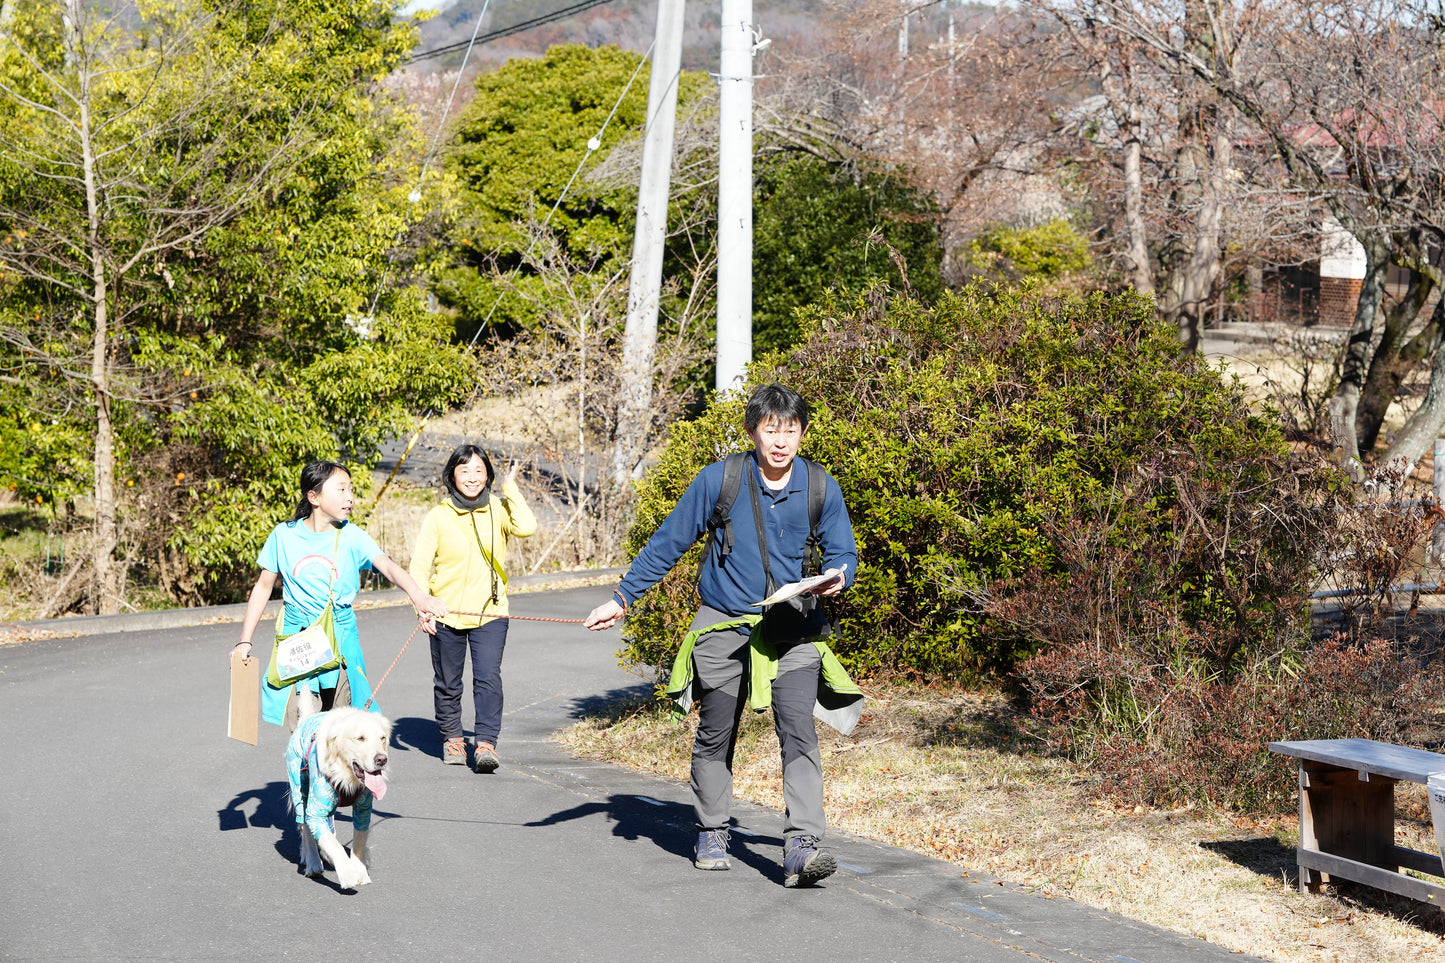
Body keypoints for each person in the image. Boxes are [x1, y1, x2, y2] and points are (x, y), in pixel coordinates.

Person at [584, 384, 861, 888]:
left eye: (791, 430)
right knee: (717, 730)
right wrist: (622, 598)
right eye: (771, 430)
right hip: (723, 626)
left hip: (794, 629)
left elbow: (844, 550)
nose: (781, 441)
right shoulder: (721, 480)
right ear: (753, 430)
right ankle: (712, 829)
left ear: (802, 432)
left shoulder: (821, 485)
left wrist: (840, 573)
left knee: (798, 727)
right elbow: (669, 542)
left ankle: (802, 846)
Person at [233, 461, 447, 727]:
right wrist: (245, 640)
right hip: (298, 644)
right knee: (304, 729)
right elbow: (264, 587)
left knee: (342, 726)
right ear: (314, 497)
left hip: (341, 644)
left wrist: (420, 597)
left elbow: (389, 567)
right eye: (341, 490)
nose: (350, 498)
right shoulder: (283, 536)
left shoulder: (352, 536)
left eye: (351, 490)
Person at [409, 444, 537, 772]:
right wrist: (422, 605)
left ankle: (485, 744)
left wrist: (510, 488)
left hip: (491, 611)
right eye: (464, 470)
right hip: (444, 612)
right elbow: (420, 565)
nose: (472, 477)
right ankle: (452, 737)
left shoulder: (498, 508)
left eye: (479, 471)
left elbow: (527, 528)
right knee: (448, 681)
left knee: (488, 678)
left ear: (488, 475)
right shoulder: (438, 515)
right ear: (452, 474)